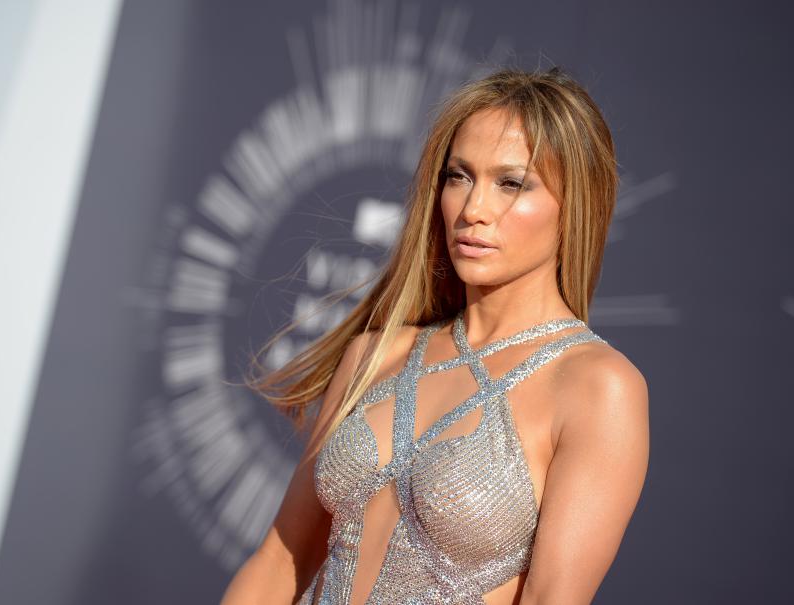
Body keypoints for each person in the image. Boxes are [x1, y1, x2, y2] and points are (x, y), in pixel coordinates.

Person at [221, 66, 650, 605]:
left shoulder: (596, 386)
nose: (473, 210)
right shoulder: (376, 354)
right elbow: (279, 561)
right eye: (459, 176)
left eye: (511, 183)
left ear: (575, 206)